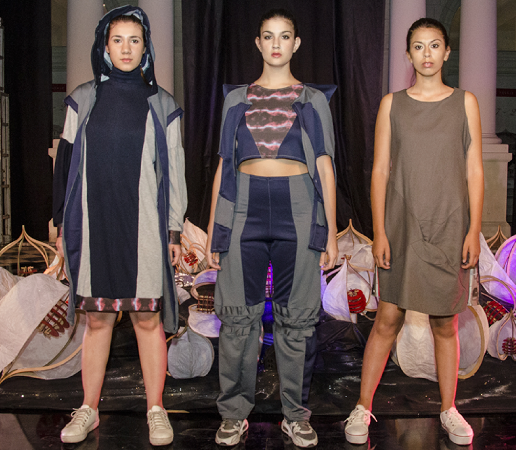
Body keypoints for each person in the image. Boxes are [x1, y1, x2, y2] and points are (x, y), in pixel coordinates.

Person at [343, 18, 483, 447]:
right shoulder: (392, 104)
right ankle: (362, 406)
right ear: (408, 55)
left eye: (434, 45)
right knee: (387, 318)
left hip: (449, 225)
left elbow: (474, 170)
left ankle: (449, 408)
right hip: (402, 226)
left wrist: (474, 230)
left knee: (445, 322)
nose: (426, 54)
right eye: (418, 46)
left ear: (447, 52)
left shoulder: (466, 102)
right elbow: (380, 170)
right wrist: (379, 231)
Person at [52, 6, 187, 446]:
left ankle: (156, 409)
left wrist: (173, 230)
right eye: (118, 40)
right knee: (97, 320)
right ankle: (89, 409)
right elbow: (64, 166)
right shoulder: (82, 99)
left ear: (145, 48)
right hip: (94, 226)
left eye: (134, 40)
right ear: (105, 47)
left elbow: (175, 174)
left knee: (148, 319)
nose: (126, 49)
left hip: (143, 228)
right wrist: (60, 225)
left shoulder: (162, 104)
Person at [205, 8, 338, 448]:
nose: (276, 44)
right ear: (258, 43)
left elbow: (325, 167)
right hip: (243, 209)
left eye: (284, 36)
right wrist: (214, 229)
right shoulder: (236, 99)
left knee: (296, 318)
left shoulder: (313, 100)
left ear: (296, 44)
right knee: (237, 318)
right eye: (268, 36)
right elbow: (223, 165)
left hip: (297, 210)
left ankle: (295, 416)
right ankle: (233, 414)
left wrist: (331, 230)